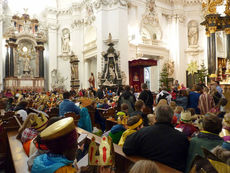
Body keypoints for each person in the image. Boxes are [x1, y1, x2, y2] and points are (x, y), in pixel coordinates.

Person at [123, 105, 189, 172]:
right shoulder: (182, 138)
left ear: (155, 117)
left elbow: (126, 148)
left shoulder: (143, 132)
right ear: (172, 118)